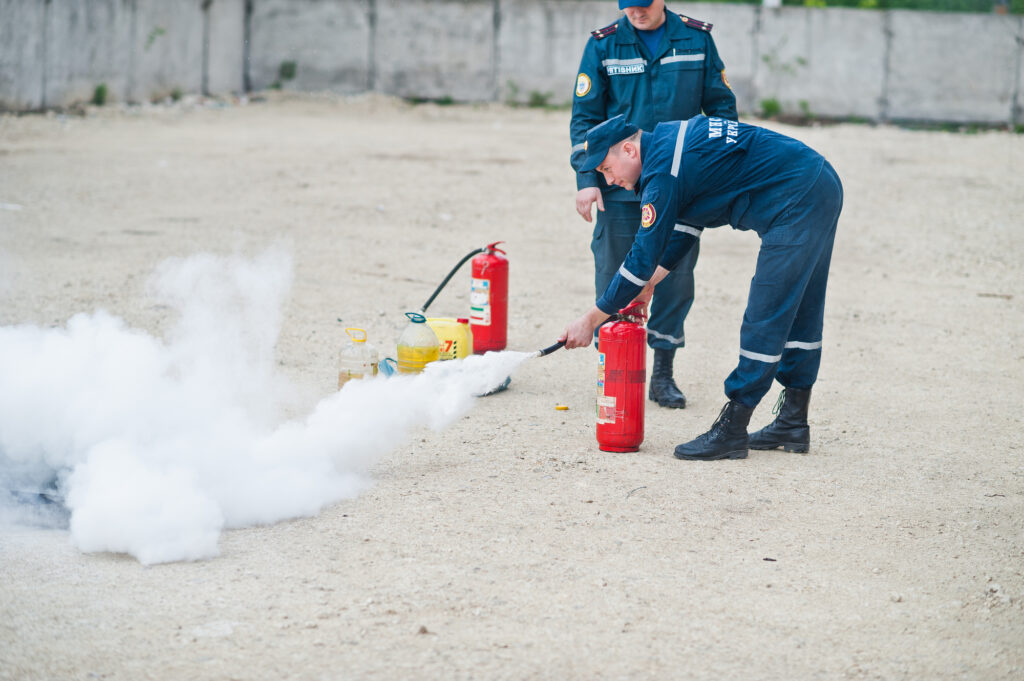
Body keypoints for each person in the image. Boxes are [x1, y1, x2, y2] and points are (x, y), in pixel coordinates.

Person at [560, 114, 843, 461]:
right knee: (801, 307)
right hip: (815, 182)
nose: (608, 180)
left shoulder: (662, 173)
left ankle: (733, 428)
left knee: (767, 310)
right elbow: (685, 227)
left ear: (630, 150)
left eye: (606, 168)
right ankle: (793, 422)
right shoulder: (668, 145)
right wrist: (650, 286)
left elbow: (640, 260)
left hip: (798, 199)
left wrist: (590, 321)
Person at [571, 0, 737, 410]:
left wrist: (716, 167)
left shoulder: (696, 39)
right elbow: (584, 118)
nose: (636, 14)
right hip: (619, 182)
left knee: (673, 275)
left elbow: (721, 108)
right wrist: (587, 179)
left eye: (643, 5)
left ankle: (663, 371)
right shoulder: (605, 45)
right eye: (628, 7)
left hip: (680, 182)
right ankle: (614, 365)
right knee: (615, 269)